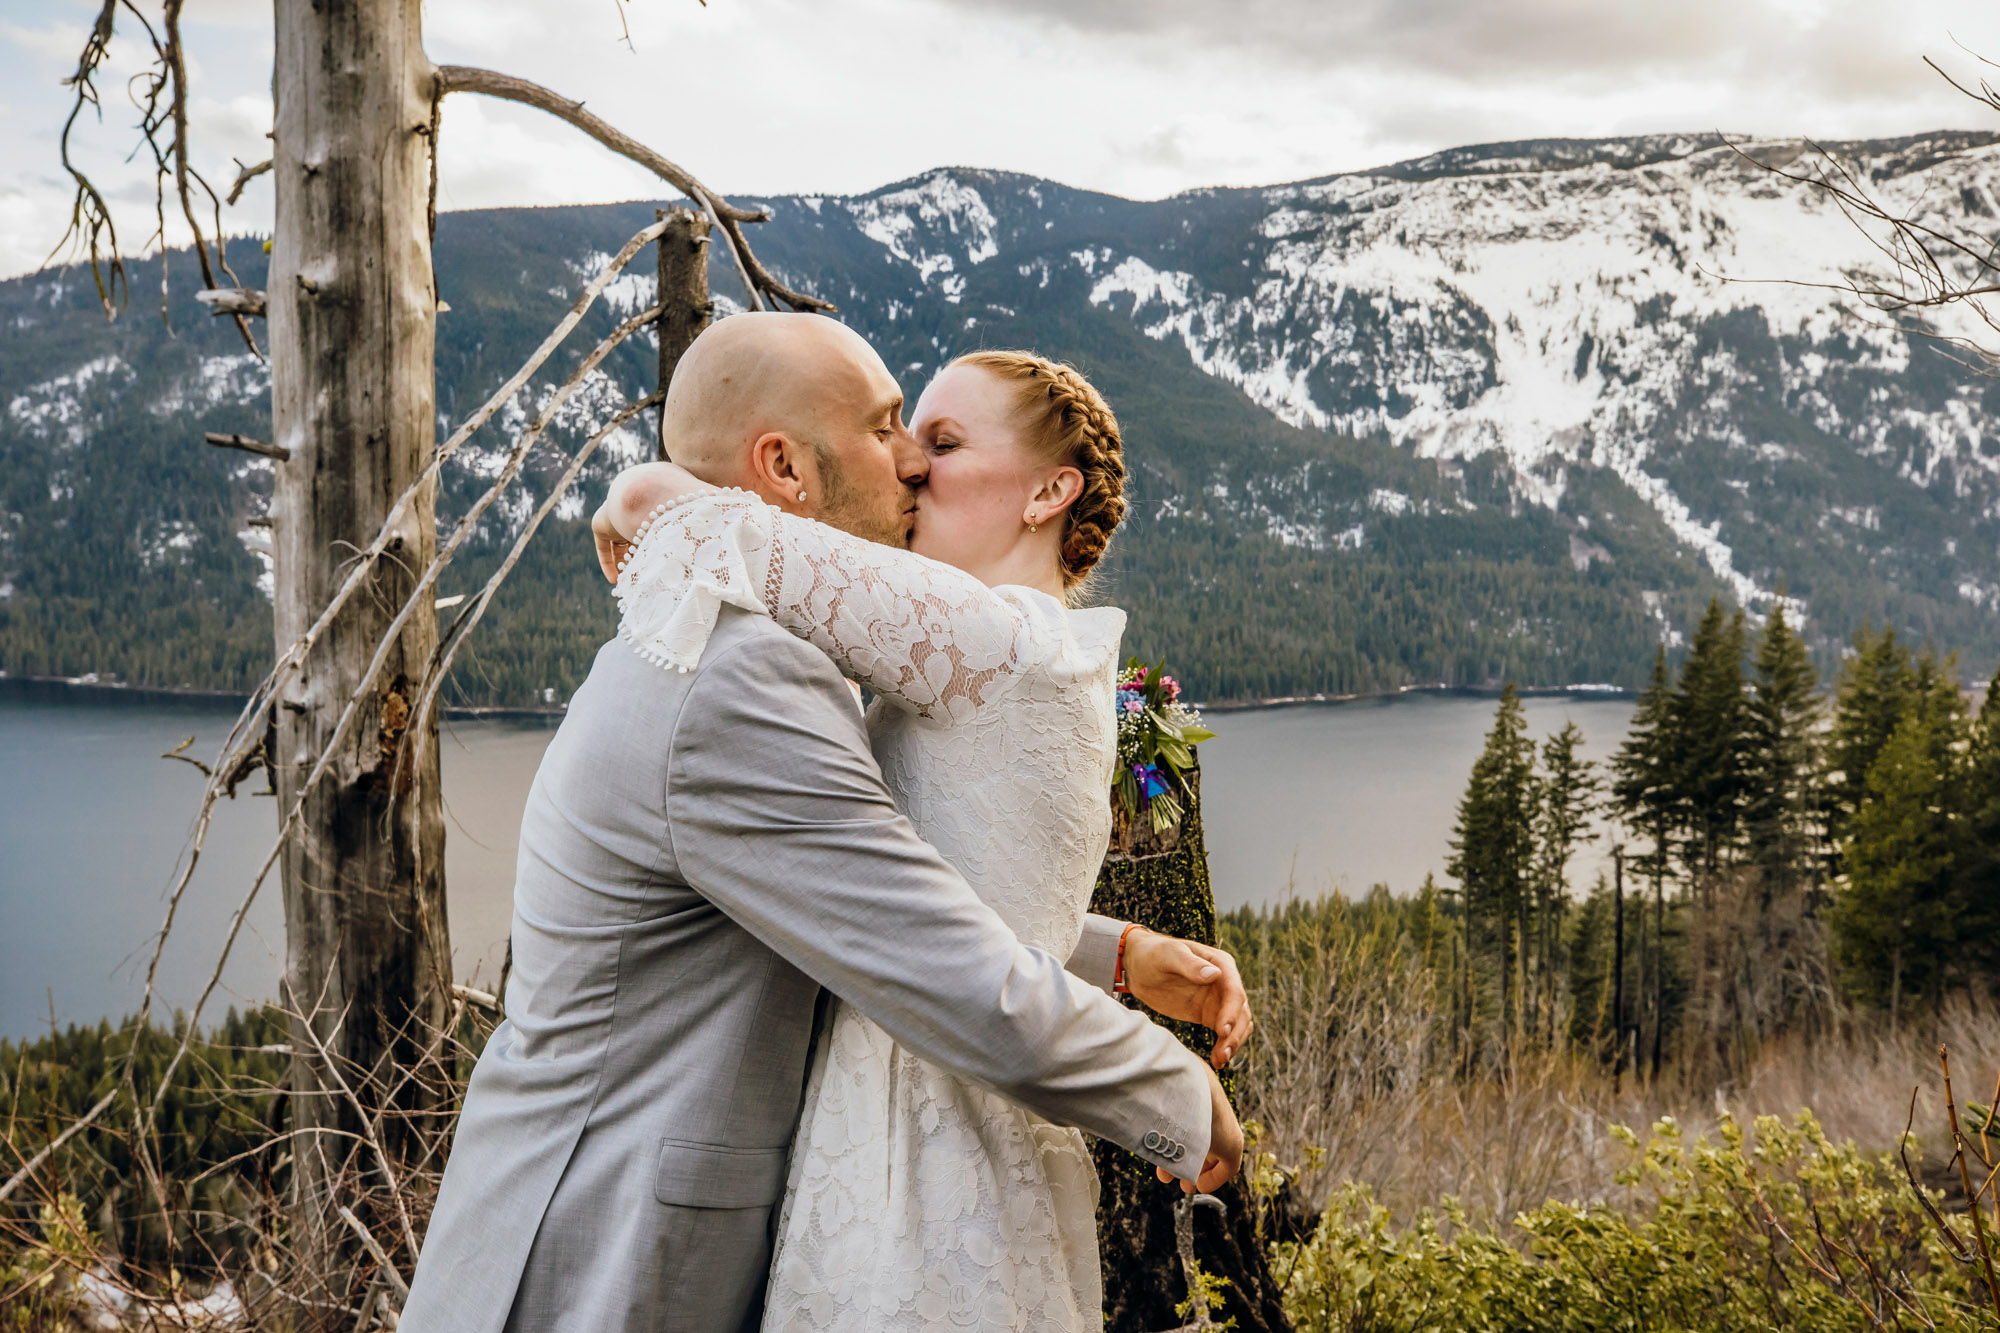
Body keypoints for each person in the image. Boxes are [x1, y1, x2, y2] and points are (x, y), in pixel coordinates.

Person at [401, 313, 1246, 1333]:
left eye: (932, 438)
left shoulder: (742, 645)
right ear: (786, 472)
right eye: (891, 429)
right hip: (594, 1258)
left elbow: (864, 873)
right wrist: (1172, 1094)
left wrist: (1110, 950)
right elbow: (920, 945)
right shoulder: (739, 676)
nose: (909, 466)